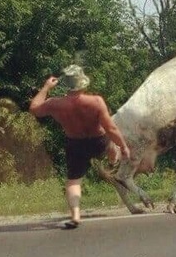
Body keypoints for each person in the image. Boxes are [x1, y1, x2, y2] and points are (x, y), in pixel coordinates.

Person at [29, 65, 130, 229]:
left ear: (66, 85)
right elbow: (111, 129)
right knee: (111, 143)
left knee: (73, 182)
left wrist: (46, 87)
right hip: (98, 141)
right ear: (83, 84)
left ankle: (75, 215)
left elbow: (34, 108)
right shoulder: (96, 101)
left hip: (75, 143)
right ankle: (112, 161)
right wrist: (123, 146)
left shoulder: (55, 104)